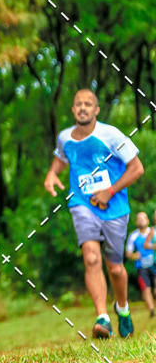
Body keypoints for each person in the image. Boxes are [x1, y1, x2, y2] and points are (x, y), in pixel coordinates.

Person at [44, 89, 144, 339]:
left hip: (115, 208)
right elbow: (61, 157)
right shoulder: (65, 137)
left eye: (88, 104)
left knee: (116, 268)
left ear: (96, 110)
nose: (83, 108)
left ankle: (122, 309)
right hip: (82, 203)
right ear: (73, 109)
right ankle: (102, 318)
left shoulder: (111, 135)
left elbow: (136, 168)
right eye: (78, 104)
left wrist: (109, 192)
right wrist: (52, 173)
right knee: (90, 257)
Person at [129, 211, 156, 317]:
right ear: (136, 222)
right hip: (141, 267)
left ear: (148, 220)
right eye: (139, 219)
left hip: (154, 264)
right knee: (146, 289)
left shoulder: (152, 232)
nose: (141, 220)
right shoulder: (133, 236)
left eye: (143, 218)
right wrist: (134, 256)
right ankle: (152, 311)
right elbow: (128, 252)